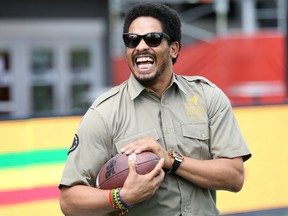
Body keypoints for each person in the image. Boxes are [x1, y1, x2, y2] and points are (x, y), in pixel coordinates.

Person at [59, 3, 251, 216]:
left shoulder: (208, 97)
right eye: (132, 40)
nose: (140, 47)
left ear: (174, 48)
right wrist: (122, 197)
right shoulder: (104, 113)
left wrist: (171, 160)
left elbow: (234, 177)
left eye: (152, 38)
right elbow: (69, 201)